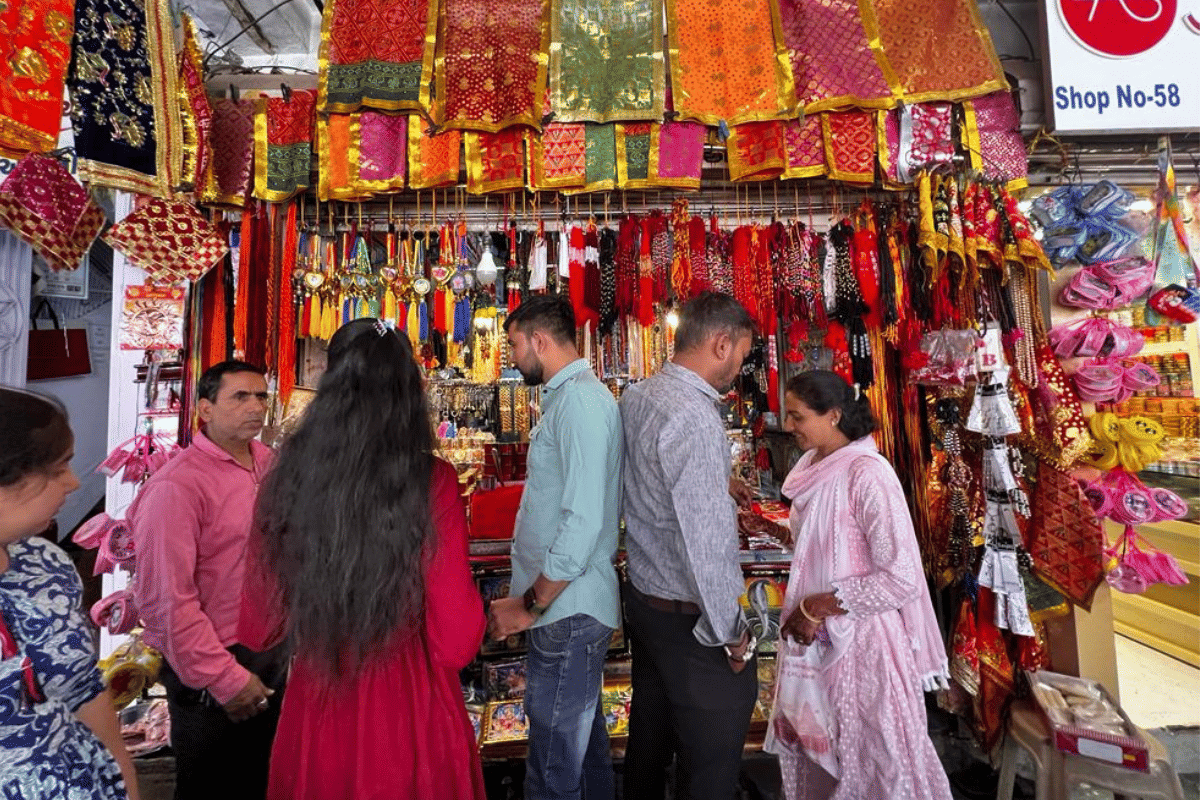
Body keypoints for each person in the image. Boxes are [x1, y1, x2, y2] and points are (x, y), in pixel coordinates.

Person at [239, 318, 486, 800]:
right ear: (407, 392)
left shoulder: (287, 479)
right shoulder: (431, 480)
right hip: (411, 703)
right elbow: (456, 640)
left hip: (321, 698)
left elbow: (258, 625)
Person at [766, 370, 951, 800]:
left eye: (797, 417)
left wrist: (817, 607)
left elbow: (901, 575)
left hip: (865, 646)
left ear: (832, 415)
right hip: (821, 642)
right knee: (829, 757)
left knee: (873, 759)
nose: (788, 426)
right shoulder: (811, 467)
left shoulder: (868, 474)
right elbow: (826, 543)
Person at [619, 291, 758, 800]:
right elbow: (707, 540)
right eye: (741, 356)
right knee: (712, 767)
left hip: (646, 604)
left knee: (650, 747)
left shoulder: (639, 396)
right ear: (721, 344)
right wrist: (732, 632)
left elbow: (649, 485)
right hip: (687, 620)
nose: (739, 369)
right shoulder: (695, 418)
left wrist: (718, 479)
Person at [127, 361, 284, 800]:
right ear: (204, 409)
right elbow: (165, 600)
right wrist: (224, 677)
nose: (255, 407)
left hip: (269, 649)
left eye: (261, 397)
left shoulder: (268, 465)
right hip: (215, 663)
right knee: (216, 786)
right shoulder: (177, 487)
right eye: (240, 397)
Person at [488, 294, 622, 800]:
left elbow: (582, 521)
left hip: (565, 611)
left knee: (551, 769)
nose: (512, 355)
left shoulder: (582, 402)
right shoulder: (569, 399)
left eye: (515, 344)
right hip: (561, 611)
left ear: (539, 341)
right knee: (579, 758)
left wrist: (530, 604)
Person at [0, 387, 141, 800]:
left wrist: (126, 788)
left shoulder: (46, 563)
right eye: (59, 468)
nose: (74, 483)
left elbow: (85, 692)